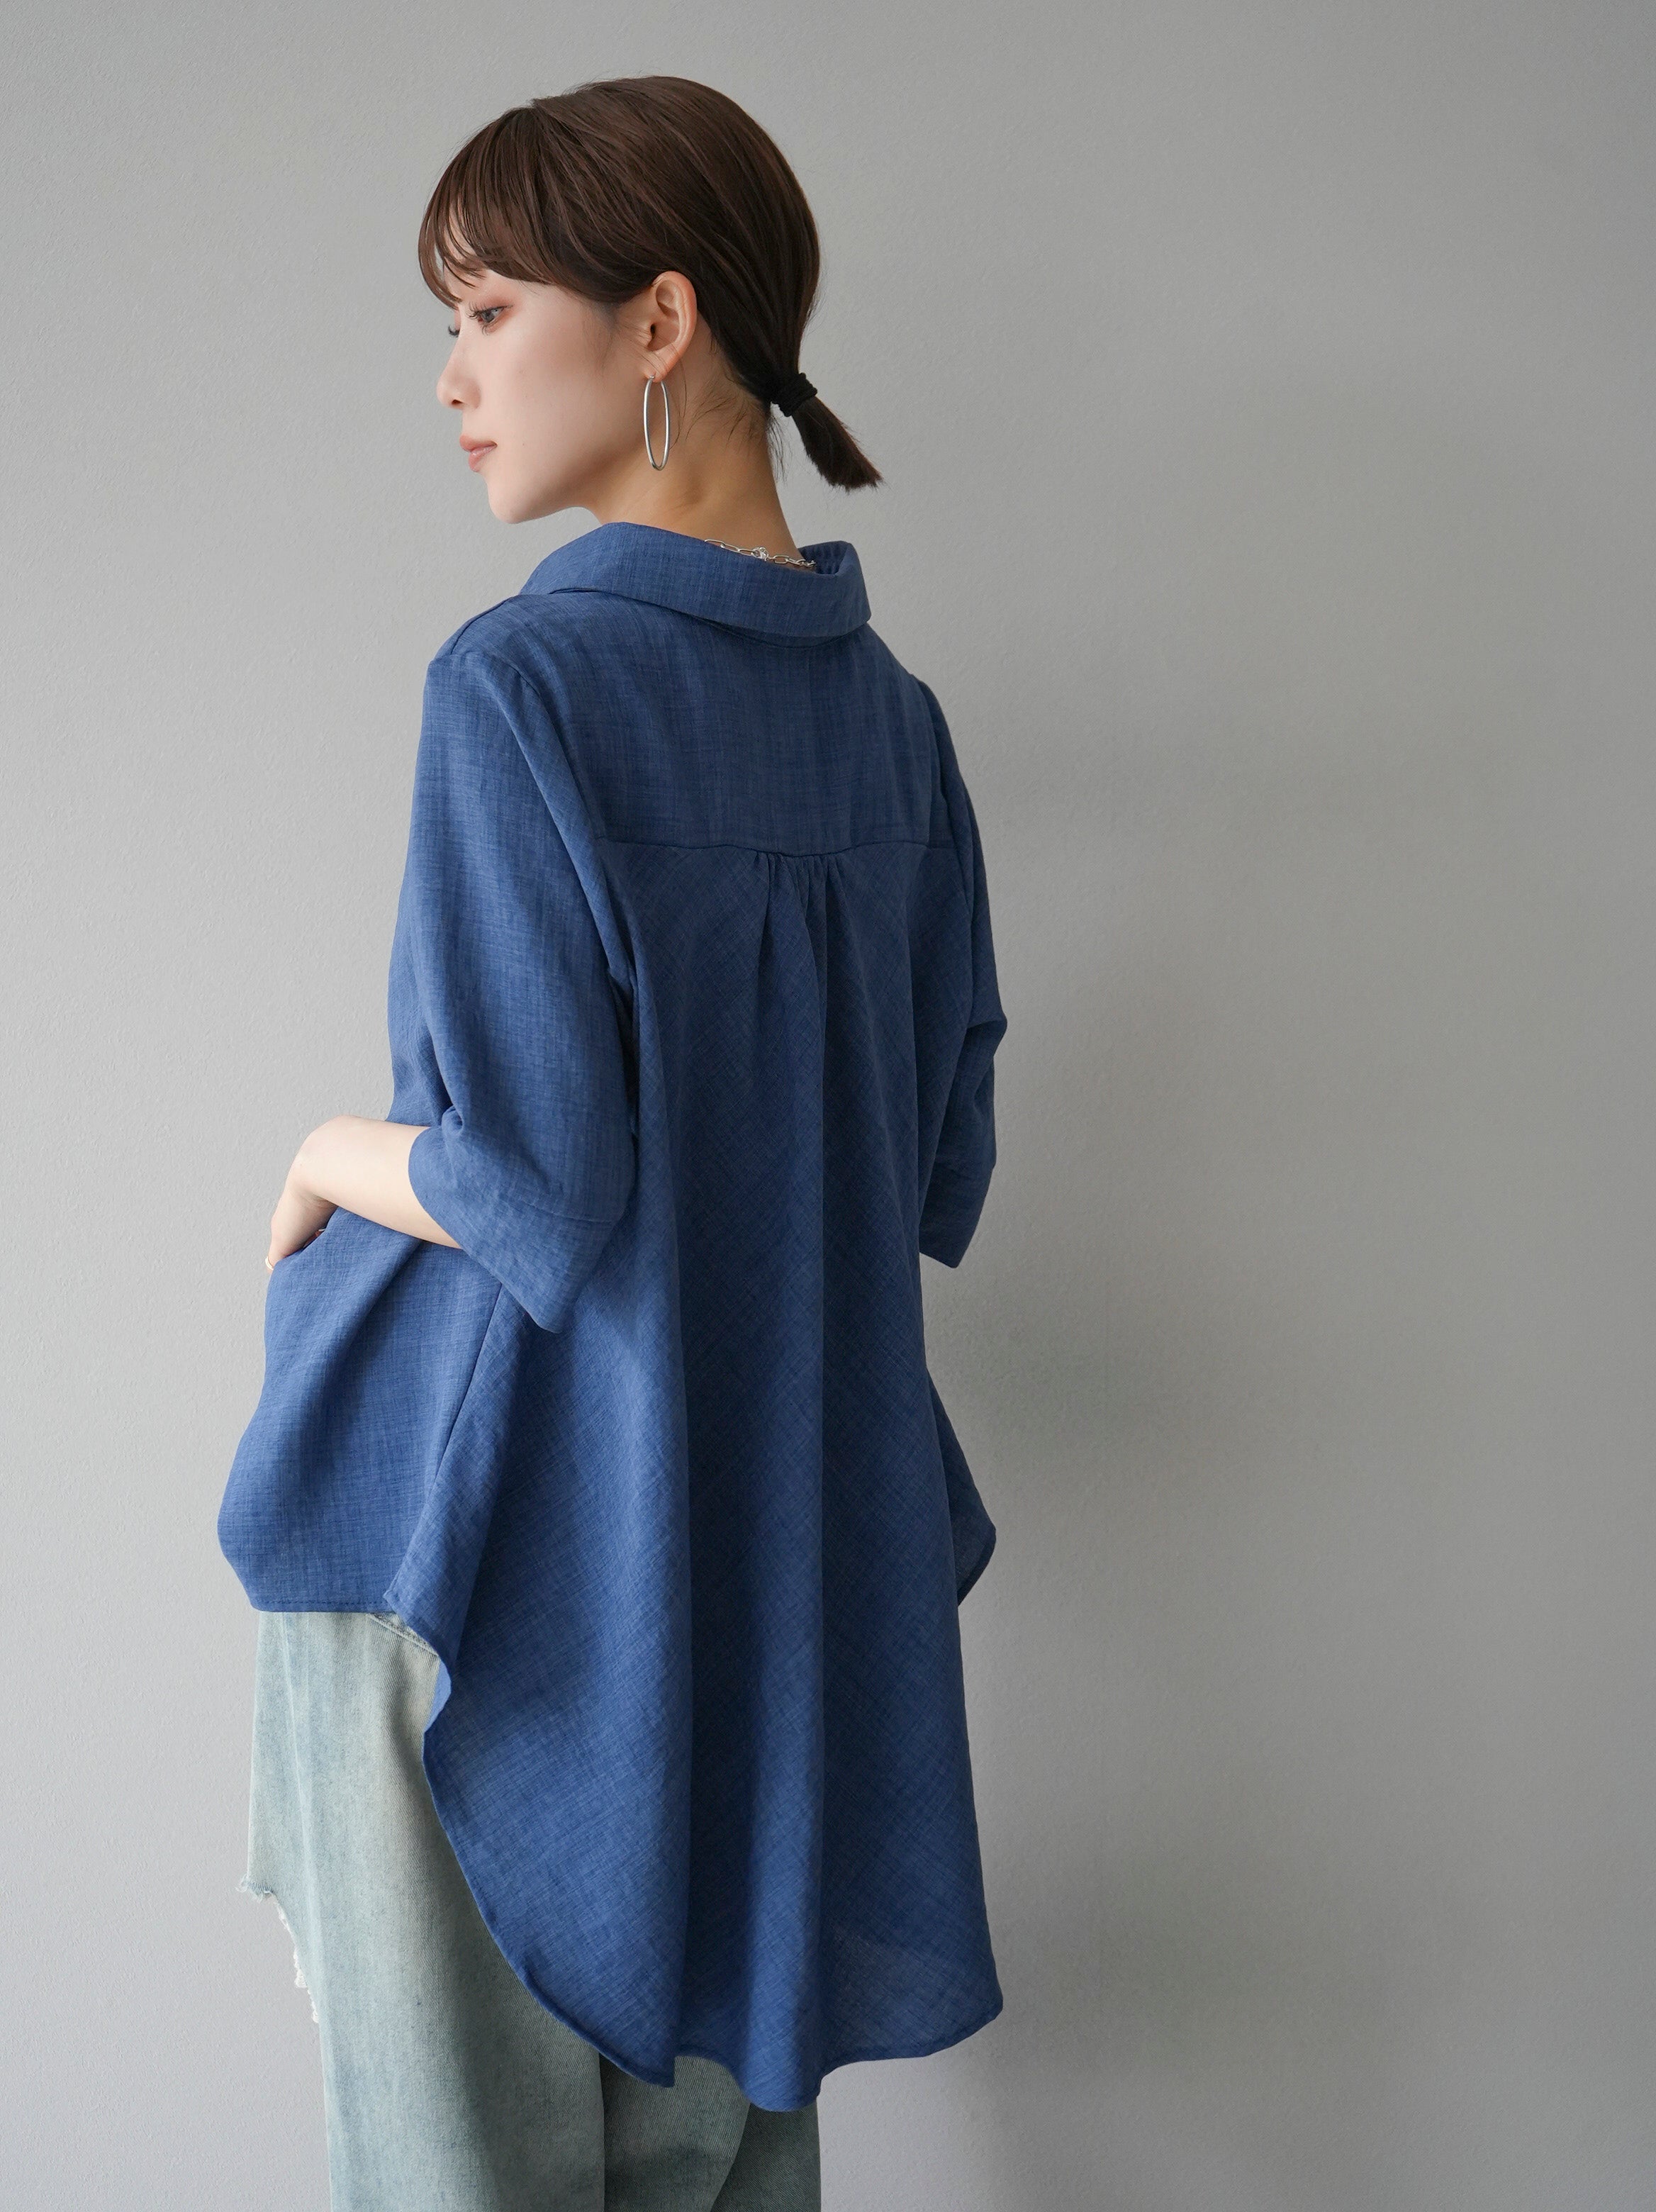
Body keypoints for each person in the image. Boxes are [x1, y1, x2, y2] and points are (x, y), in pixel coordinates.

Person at [218, 74, 1009, 2212]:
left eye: (488, 312)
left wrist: (326, 1148)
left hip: (472, 1563)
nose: (452, 378)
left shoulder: (523, 692)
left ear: (658, 321)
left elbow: (532, 1189)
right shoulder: (903, 738)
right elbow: (932, 1177)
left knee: (451, 2177)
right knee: (718, 2174)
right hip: (755, 1579)